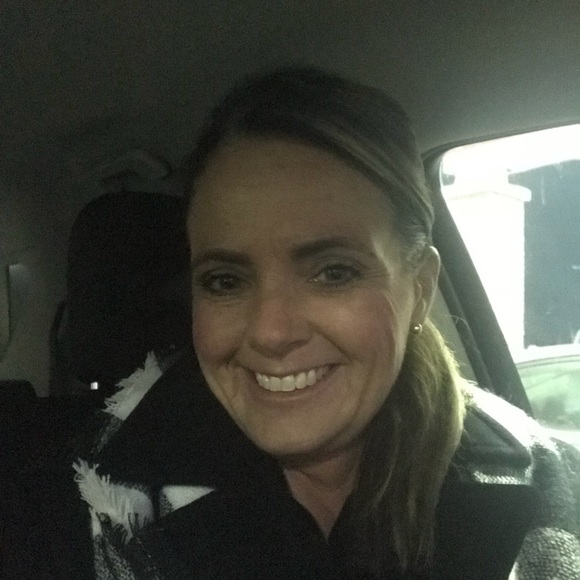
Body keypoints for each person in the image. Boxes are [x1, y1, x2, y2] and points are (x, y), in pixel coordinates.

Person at [4, 67, 579, 579]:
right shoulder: (57, 502)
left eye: (334, 272)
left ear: (420, 290)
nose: (272, 332)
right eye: (225, 281)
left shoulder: (557, 492)